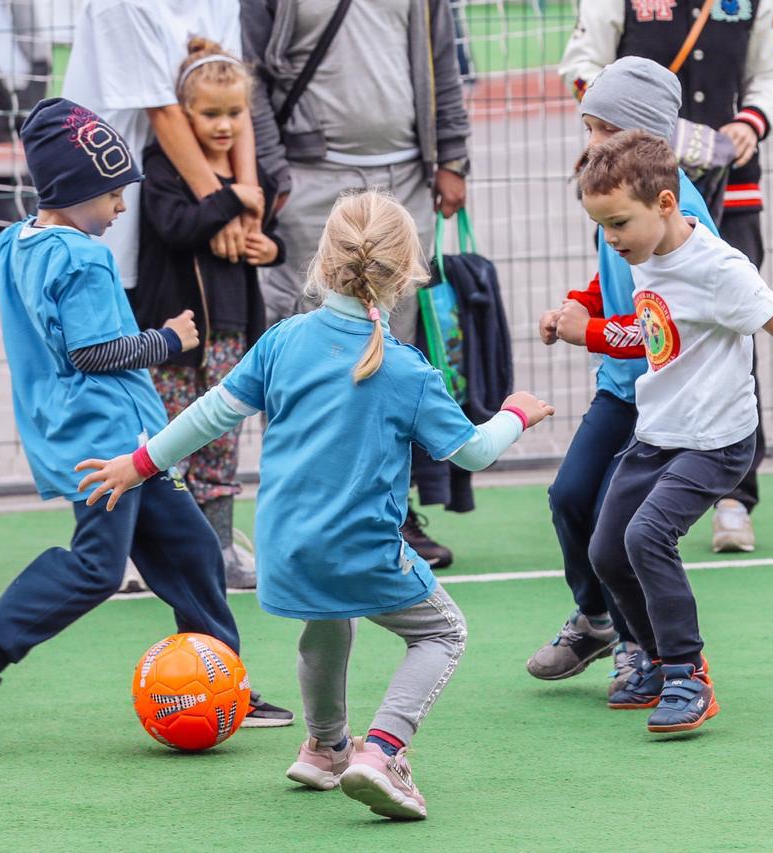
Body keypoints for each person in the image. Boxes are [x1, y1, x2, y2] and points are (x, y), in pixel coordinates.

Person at [76, 190, 556, 819]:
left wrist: (139, 464)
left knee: (327, 621)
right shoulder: (406, 369)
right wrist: (516, 415)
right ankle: (380, 752)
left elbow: (211, 414)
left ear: (321, 262)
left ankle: (325, 747)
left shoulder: (282, 342)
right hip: (362, 552)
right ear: (409, 270)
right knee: (443, 633)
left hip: (283, 550)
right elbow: (470, 454)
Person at [0, 98, 292, 749]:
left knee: (192, 548)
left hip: (126, 440)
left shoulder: (16, 240)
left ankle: (224, 682)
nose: (121, 207)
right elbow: (94, 354)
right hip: (100, 445)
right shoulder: (82, 259)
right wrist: (167, 339)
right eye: (113, 194)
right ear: (77, 193)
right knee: (96, 568)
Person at [580, 131, 773, 733]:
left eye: (617, 225)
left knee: (646, 538)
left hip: (716, 441)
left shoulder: (720, 269)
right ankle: (653, 656)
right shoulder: (645, 258)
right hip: (659, 431)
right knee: (605, 550)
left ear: (666, 205)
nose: (610, 241)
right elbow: (661, 335)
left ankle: (688, 675)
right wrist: (587, 328)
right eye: (602, 227)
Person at [559, 0, 773, 553]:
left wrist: (749, 122)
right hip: (633, 186)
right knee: (651, 311)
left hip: (730, 185)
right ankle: (639, 487)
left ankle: (734, 493)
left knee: (731, 326)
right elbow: (582, 65)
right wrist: (632, 140)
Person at [244, 0, 471, 568]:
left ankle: (390, 519)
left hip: (406, 180)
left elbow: (444, 58)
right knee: (305, 356)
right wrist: (276, 172)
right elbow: (250, 71)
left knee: (392, 359)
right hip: (311, 179)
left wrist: (453, 157)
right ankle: (299, 519)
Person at [526, 57, 717, 695]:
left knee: (619, 522)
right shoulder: (621, 197)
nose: (589, 147)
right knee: (569, 497)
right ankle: (596, 618)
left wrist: (596, 333)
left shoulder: (680, 218)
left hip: (661, 403)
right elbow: (617, 278)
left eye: (601, 130)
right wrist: (582, 302)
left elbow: (667, 332)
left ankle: (648, 649)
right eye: (587, 130)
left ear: (644, 141)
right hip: (618, 388)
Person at [62, 0, 261, 593]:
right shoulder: (123, 7)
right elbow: (164, 110)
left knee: (210, 425)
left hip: (190, 219)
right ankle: (120, 548)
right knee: (122, 402)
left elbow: (235, 95)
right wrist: (223, 203)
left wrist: (245, 198)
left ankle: (206, 543)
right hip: (108, 225)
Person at [134, 38, 284, 591]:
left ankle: (220, 549)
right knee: (170, 440)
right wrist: (232, 195)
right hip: (174, 334)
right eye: (210, 114)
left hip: (231, 329)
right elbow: (175, 227)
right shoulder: (162, 166)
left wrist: (271, 249)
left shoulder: (250, 171)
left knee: (221, 443)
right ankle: (166, 554)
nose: (224, 126)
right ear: (184, 113)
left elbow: (267, 239)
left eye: (234, 114)